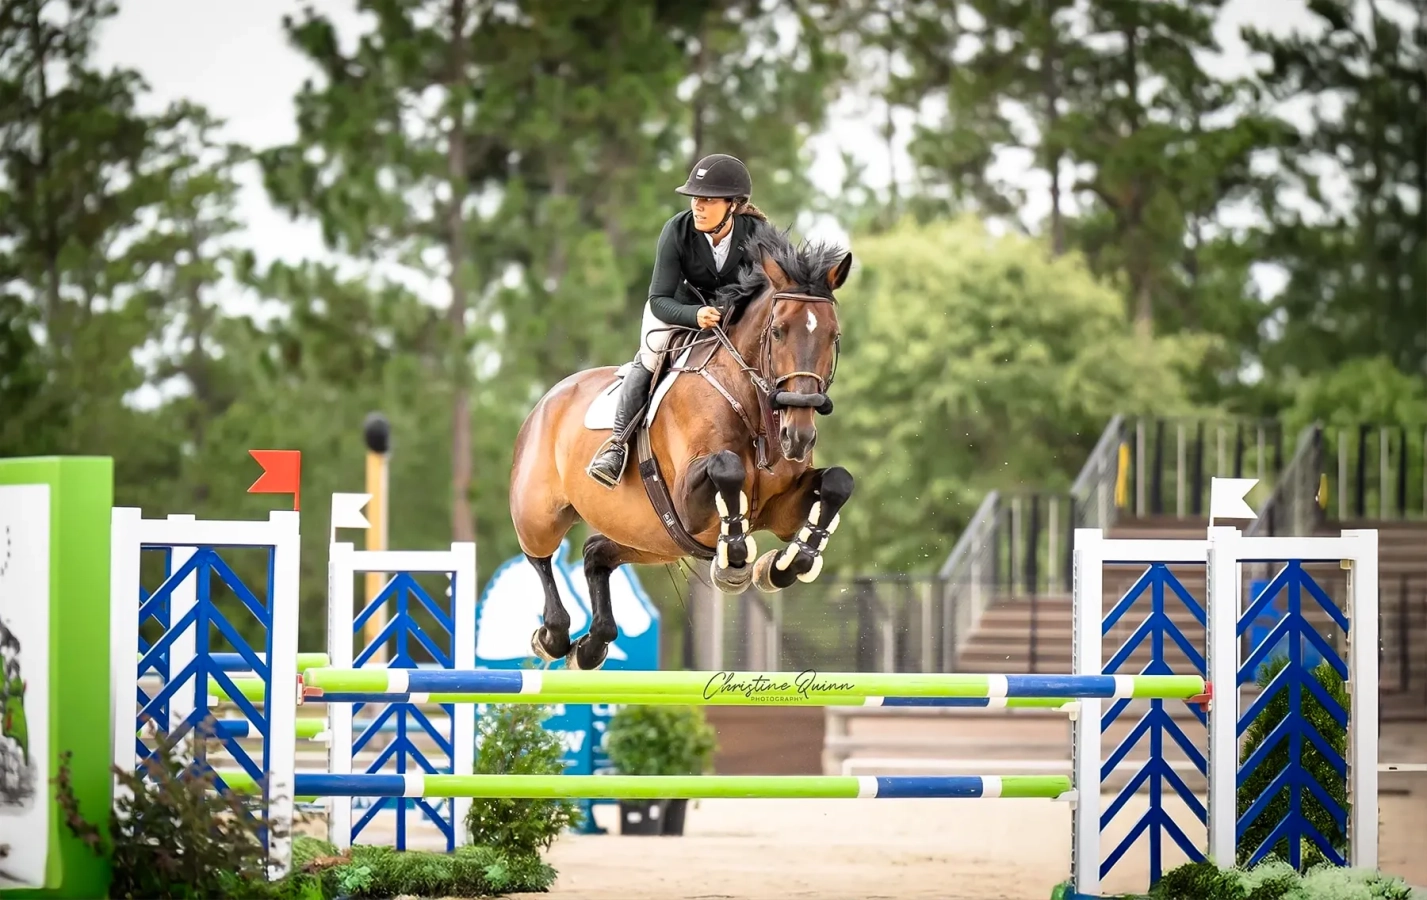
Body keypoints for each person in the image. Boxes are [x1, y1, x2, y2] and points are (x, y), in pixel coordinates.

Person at [586, 152, 774, 488]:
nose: (698, 207)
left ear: (733, 205)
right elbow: (658, 299)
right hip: (679, 311)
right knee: (652, 353)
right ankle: (616, 446)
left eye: (707, 200)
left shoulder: (759, 233)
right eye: (695, 199)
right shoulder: (677, 230)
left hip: (737, 317)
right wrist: (694, 315)